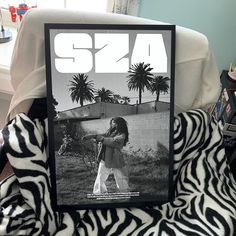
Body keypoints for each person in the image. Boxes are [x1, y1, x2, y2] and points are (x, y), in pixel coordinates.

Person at [83, 117, 130, 194]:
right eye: (112, 122)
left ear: (120, 124)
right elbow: (102, 135)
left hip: (116, 159)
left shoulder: (122, 134)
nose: (112, 124)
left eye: (114, 122)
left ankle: (124, 192)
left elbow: (113, 142)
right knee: (101, 177)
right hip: (105, 157)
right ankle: (100, 193)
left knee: (120, 177)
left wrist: (101, 139)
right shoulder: (110, 132)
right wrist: (91, 136)